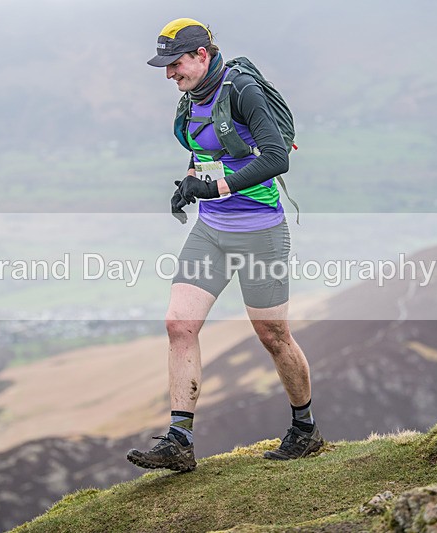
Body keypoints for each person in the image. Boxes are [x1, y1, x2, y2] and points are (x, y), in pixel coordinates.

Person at [126, 18, 323, 473]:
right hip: (211, 232)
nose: (169, 74)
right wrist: (188, 183)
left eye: (175, 64)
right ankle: (179, 440)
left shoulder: (242, 90)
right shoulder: (191, 97)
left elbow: (276, 158)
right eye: (166, 67)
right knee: (179, 324)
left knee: (273, 336)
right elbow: (204, 149)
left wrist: (214, 188)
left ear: (202, 55)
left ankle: (305, 429)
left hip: (260, 232)